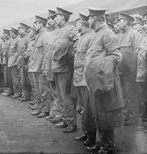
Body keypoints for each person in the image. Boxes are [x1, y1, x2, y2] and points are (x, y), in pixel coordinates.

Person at [85, 8, 124, 153]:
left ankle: (107, 146)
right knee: (98, 114)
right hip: (97, 82)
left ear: (95, 18)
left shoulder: (107, 33)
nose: (87, 21)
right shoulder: (97, 34)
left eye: (89, 18)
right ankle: (101, 143)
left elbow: (117, 57)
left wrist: (96, 66)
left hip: (105, 82)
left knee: (106, 115)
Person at [49, 7, 77, 133]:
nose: (55, 19)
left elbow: (75, 46)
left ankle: (71, 122)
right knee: (60, 96)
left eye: (57, 16)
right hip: (55, 67)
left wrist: (67, 58)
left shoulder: (71, 29)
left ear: (64, 17)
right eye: (55, 17)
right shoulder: (57, 31)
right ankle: (65, 119)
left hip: (65, 68)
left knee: (66, 97)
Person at [73, 13, 97, 146]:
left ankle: (92, 136)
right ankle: (86, 132)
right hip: (78, 77)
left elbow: (90, 60)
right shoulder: (82, 37)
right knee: (82, 108)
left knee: (88, 110)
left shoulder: (90, 37)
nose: (75, 26)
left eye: (77, 23)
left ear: (83, 23)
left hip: (85, 79)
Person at [116, 12, 142, 125]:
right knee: (123, 94)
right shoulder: (119, 35)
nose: (117, 23)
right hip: (120, 70)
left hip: (130, 71)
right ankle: (125, 115)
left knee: (132, 95)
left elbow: (138, 52)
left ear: (125, 22)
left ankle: (133, 117)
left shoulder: (134, 34)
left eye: (119, 21)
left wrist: (135, 70)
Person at [28, 15, 47, 116]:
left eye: (36, 23)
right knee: (38, 91)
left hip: (40, 68)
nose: (34, 25)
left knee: (43, 90)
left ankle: (45, 109)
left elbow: (46, 53)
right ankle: (40, 108)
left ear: (41, 23)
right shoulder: (38, 36)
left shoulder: (45, 35)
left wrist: (44, 67)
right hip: (35, 67)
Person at [136, 14, 147, 132]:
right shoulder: (144, 38)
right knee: (143, 99)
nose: (145, 25)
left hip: (145, 74)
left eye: (146, 23)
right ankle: (144, 123)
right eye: (144, 23)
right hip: (142, 74)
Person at [17, 23, 31, 101]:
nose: (19, 31)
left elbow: (28, 51)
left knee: (25, 81)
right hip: (21, 62)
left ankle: (26, 96)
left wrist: (23, 58)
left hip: (25, 62)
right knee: (22, 80)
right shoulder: (21, 39)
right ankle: (24, 95)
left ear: (25, 29)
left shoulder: (27, 38)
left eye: (20, 29)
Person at [8, 27, 21, 99]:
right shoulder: (14, 40)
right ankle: (16, 92)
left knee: (16, 78)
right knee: (13, 78)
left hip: (14, 62)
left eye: (11, 32)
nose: (10, 34)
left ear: (13, 33)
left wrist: (15, 61)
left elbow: (18, 52)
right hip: (11, 62)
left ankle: (18, 93)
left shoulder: (17, 40)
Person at [1, 29, 13, 96]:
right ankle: (8, 89)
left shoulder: (10, 41)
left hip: (8, 61)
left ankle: (10, 90)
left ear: (7, 34)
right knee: (6, 77)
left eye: (4, 33)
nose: (3, 35)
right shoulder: (6, 41)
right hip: (5, 61)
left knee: (9, 77)